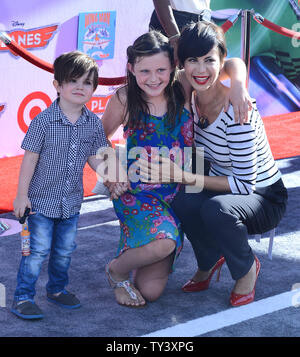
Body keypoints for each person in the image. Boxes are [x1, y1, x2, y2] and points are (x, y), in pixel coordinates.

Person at [138, 21, 288, 307]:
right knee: (182, 201)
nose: (201, 69)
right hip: (221, 182)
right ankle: (209, 260)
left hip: (263, 196)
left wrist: (183, 174)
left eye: (209, 60)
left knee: (214, 208)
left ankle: (246, 269)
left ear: (220, 62)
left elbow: (245, 185)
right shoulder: (190, 92)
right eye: (193, 60)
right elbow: (229, 63)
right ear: (182, 64)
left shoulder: (238, 111)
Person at [101, 28, 251, 308]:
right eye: (144, 71)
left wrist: (239, 85)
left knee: (150, 292)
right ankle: (117, 270)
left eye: (161, 69)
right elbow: (96, 137)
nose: (154, 78)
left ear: (174, 67)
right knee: (164, 244)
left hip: (181, 197)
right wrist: (112, 173)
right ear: (131, 68)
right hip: (140, 196)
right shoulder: (124, 99)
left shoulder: (181, 87)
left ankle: (144, 246)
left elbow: (228, 62)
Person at [11, 51, 110, 320]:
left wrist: (109, 175)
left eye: (87, 82)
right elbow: (29, 159)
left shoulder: (92, 123)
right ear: (57, 85)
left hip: (71, 202)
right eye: (73, 80)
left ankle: (56, 290)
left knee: (64, 251)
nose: (80, 87)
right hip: (41, 202)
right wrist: (21, 197)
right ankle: (22, 297)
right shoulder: (43, 121)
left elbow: (93, 156)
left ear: (94, 88)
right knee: (37, 251)